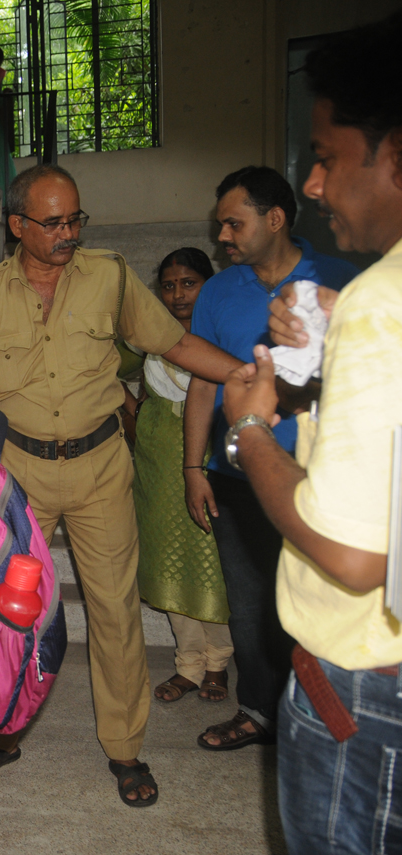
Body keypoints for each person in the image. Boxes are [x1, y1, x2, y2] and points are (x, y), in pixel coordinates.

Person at [0, 163, 241, 807]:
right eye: (53, 221)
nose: (69, 232)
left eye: (75, 219)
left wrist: (252, 374)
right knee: (11, 614)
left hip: (99, 468)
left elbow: (174, 345)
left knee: (115, 612)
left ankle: (125, 749)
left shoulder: (111, 277)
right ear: (17, 225)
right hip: (20, 475)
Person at [225, 15, 402, 852]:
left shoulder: (382, 300)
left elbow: (353, 550)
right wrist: (333, 355)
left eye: (328, 156)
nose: (318, 185)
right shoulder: (365, 306)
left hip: (366, 685)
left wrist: (251, 431)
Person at [183, 166, 357, 752]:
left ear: (275, 219)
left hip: (321, 479)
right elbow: (203, 386)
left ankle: (318, 720)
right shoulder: (218, 291)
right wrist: (193, 469)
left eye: (234, 223)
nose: (223, 236)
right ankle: (258, 710)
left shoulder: (340, 280)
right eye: (221, 225)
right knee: (252, 604)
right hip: (236, 476)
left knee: (317, 604)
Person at [133, 248, 232, 704]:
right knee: (168, 565)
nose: (177, 294)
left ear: (207, 285)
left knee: (210, 566)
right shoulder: (151, 343)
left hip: (205, 470)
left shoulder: (221, 344)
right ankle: (188, 665)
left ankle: (219, 664)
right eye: (168, 285)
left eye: (188, 283)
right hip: (157, 475)